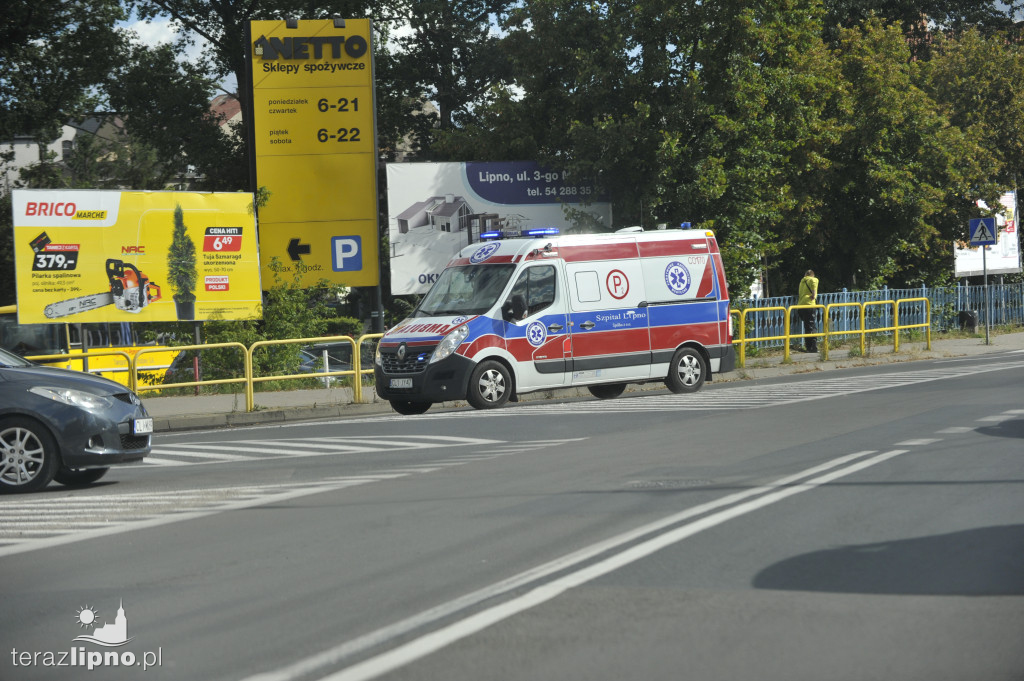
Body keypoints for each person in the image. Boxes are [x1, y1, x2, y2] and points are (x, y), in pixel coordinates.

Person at [797, 269, 819, 352]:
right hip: (809, 305)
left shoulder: (802, 281)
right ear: (812, 275)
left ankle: (808, 347)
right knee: (811, 326)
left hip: (800, 306)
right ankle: (812, 347)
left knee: (807, 327)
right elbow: (814, 291)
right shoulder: (813, 279)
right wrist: (813, 295)